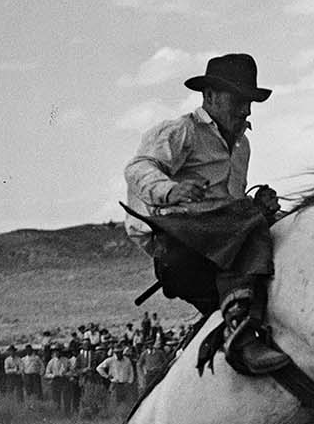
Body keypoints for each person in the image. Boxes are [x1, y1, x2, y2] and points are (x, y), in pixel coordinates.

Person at [123, 52, 289, 375]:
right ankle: (241, 329)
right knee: (247, 219)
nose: (247, 109)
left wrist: (260, 208)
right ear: (210, 96)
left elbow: (232, 206)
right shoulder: (182, 131)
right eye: (239, 99)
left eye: (250, 101)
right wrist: (172, 190)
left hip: (215, 250)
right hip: (179, 249)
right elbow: (138, 168)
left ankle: (238, 327)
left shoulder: (242, 147)